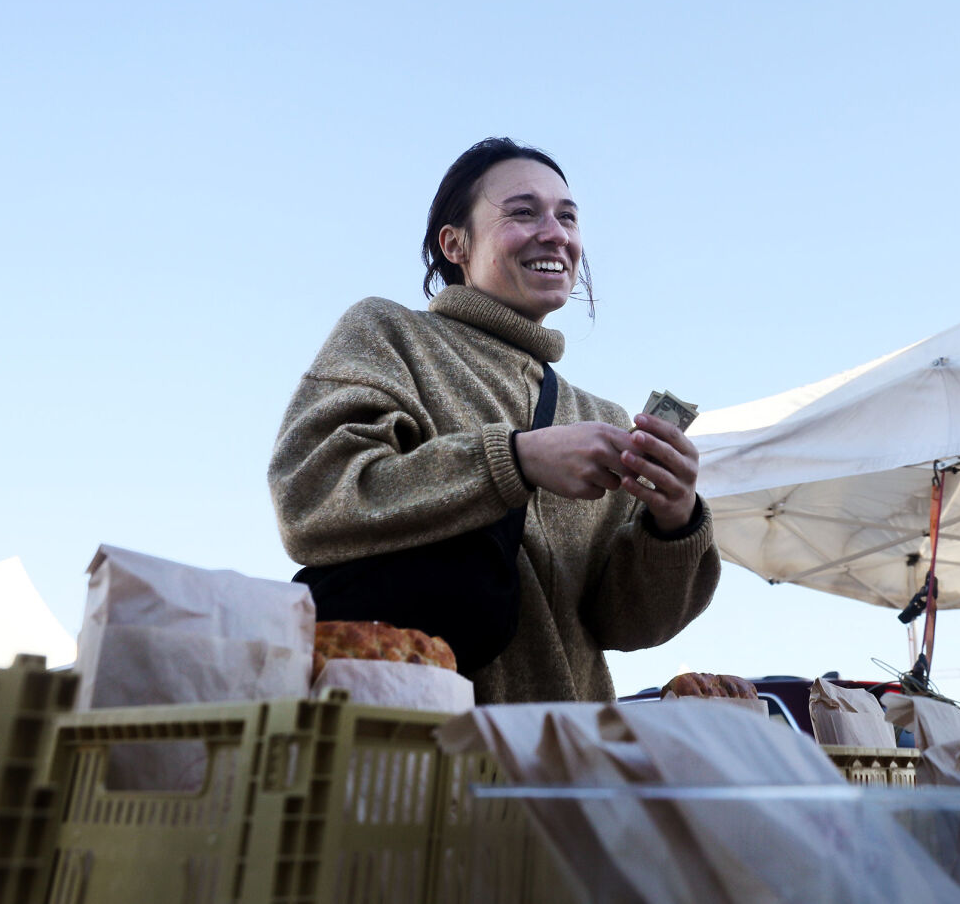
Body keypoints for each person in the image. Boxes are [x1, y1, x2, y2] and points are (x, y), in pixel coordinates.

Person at [269, 138, 721, 702]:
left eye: (568, 216)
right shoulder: (388, 334)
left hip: (563, 747)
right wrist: (515, 459)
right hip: (403, 738)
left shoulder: (602, 418)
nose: (555, 233)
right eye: (523, 212)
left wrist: (674, 522)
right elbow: (311, 501)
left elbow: (626, 625)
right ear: (454, 244)